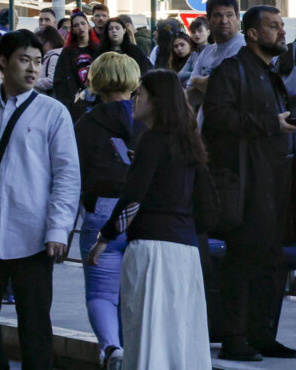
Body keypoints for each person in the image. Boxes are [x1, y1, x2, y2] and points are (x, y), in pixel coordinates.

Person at [0, 29, 81, 370]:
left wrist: (58, 229)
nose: (33, 69)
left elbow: (67, 175)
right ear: (4, 62)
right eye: (25, 60)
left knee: (35, 326)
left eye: (38, 61)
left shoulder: (54, 113)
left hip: (33, 235)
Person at [87, 69, 212, 370]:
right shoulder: (189, 143)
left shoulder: (152, 141)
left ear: (156, 101)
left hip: (152, 250)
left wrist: (103, 239)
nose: (134, 98)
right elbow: (207, 204)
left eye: (140, 93)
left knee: (147, 333)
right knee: (180, 335)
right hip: (185, 251)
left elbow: (132, 200)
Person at [202, 5, 296, 361]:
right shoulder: (233, 70)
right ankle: (236, 337)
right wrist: (270, 123)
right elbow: (218, 118)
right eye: (273, 27)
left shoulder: (270, 73)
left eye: (280, 26)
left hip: (275, 181)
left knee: (271, 262)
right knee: (243, 260)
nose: (281, 32)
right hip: (246, 182)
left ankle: (262, 334)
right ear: (253, 33)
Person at [74, 52, 142, 367]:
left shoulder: (86, 122)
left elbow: (73, 172)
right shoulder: (147, 119)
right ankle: (137, 353)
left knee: (102, 294)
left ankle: (113, 349)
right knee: (137, 296)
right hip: (141, 211)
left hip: (100, 211)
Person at [185, 0, 244, 113]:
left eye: (229, 15)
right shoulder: (207, 51)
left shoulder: (243, 47)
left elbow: (223, 87)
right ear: (208, 19)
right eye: (218, 15)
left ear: (237, 18)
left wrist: (197, 80)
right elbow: (191, 94)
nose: (224, 21)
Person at [53, 11, 98, 117]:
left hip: (96, 103)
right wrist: (67, 103)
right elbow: (59, 79)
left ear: (88, 25)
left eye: (83, 23)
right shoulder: (67, 52)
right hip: (74, 106)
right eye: (76, 25)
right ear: (73, 29)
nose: (80, 27)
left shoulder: (98, 49)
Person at [33, 25, 63, 97]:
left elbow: (51, 81)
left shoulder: (54, 57)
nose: (41, 46)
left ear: (51, 41)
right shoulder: (51, 56)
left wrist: (33, 82)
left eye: (43, 43)